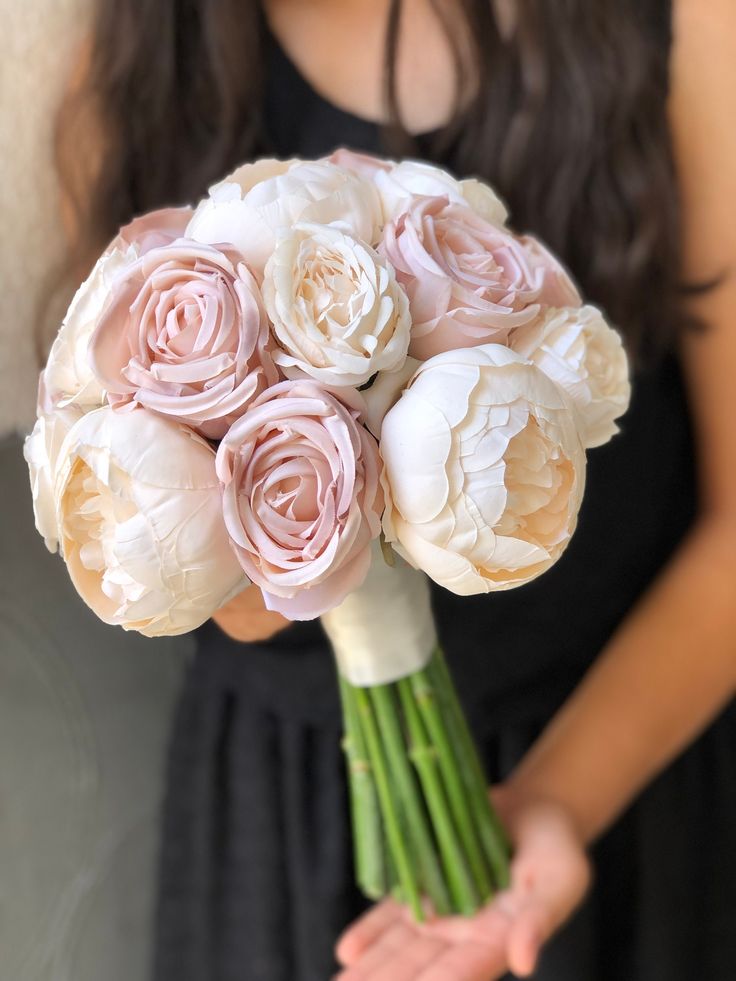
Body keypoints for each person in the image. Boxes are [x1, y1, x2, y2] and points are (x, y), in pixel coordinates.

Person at [53, 1, 736, 979]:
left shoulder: (687, 25)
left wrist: (559, 800)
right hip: (277, 803)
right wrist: (297, 520)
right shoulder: (151, 46)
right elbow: (137, 496)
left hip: (622, 766)